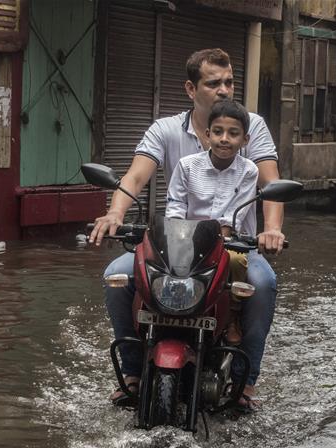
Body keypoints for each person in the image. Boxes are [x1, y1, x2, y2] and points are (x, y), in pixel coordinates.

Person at [88, 48, 284, 409]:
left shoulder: (251, 124)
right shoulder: (165, 129)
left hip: (234, 243)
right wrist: (114, 214)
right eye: (214, 83)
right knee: (115, 276)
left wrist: (271, 230)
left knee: (264, 284)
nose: (225, 90)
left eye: (229, 82)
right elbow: (135, 176)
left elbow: (271, 187)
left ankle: (247, 383)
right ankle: (131, 373)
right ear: (191, 90)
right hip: (174, 245)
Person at [166, 99, 258, 345]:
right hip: (186, 240)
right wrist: (178, 236)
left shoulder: (249, 170)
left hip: (229, 242)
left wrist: (220, 237)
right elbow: (175, 205)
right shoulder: (187, 166)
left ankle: (233, 316)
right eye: (218, 132)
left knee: (239, 263)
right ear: (207, 135)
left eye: (233, 133)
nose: (224, 139)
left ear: (245, 140)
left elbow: (234, 214)